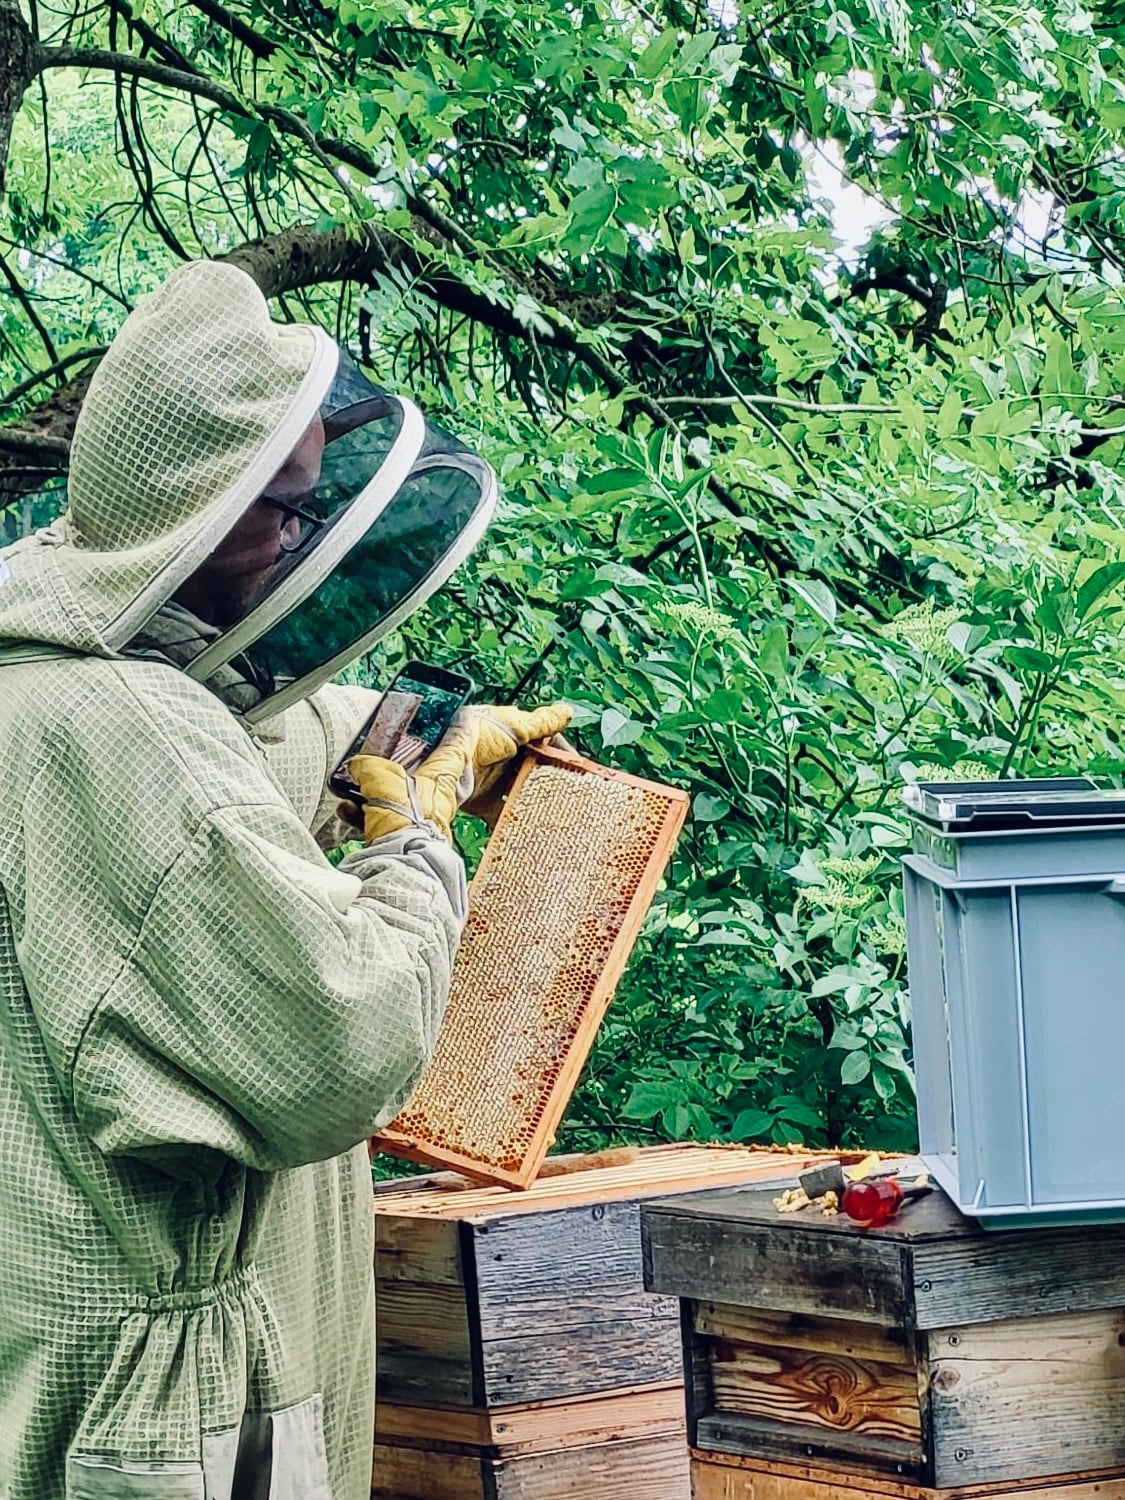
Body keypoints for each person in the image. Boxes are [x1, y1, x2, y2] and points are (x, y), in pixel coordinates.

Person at [0, 261, 569, 1500]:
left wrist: (440, 733)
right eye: (287, 510)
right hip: (175, 1403)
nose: (305, 540)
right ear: (195, 507)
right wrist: (414, 841)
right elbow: (343, 1038)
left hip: (77, 1337)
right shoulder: (122, 734)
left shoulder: (52, 656)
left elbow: (264, 735)